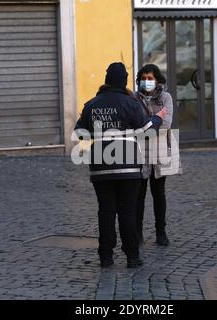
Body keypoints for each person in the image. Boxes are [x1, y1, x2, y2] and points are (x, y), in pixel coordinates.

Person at [74, 62, 166, 268]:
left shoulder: (92, 104)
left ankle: (105, 256)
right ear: (124, 81)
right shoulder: (132, 103)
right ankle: (132, 257)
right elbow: (147, 131)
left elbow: (79, 132)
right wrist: (156, 120)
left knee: (105, 211)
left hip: (100, 167)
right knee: (127, 211)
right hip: (128, 168)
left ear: (107, 80)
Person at [134, 64, 175, 247]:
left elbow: (165, 124)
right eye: (144, 78)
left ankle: (161, 231)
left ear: (157, 79)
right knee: (138, 194)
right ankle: (137, 232)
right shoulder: (134, 98)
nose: (147, 81)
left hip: (159, 151)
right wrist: (151, 123)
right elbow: (133, 124)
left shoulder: (165, 98)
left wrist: (144, 126)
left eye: (150, 78)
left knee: (158, 193)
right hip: (139, 152)